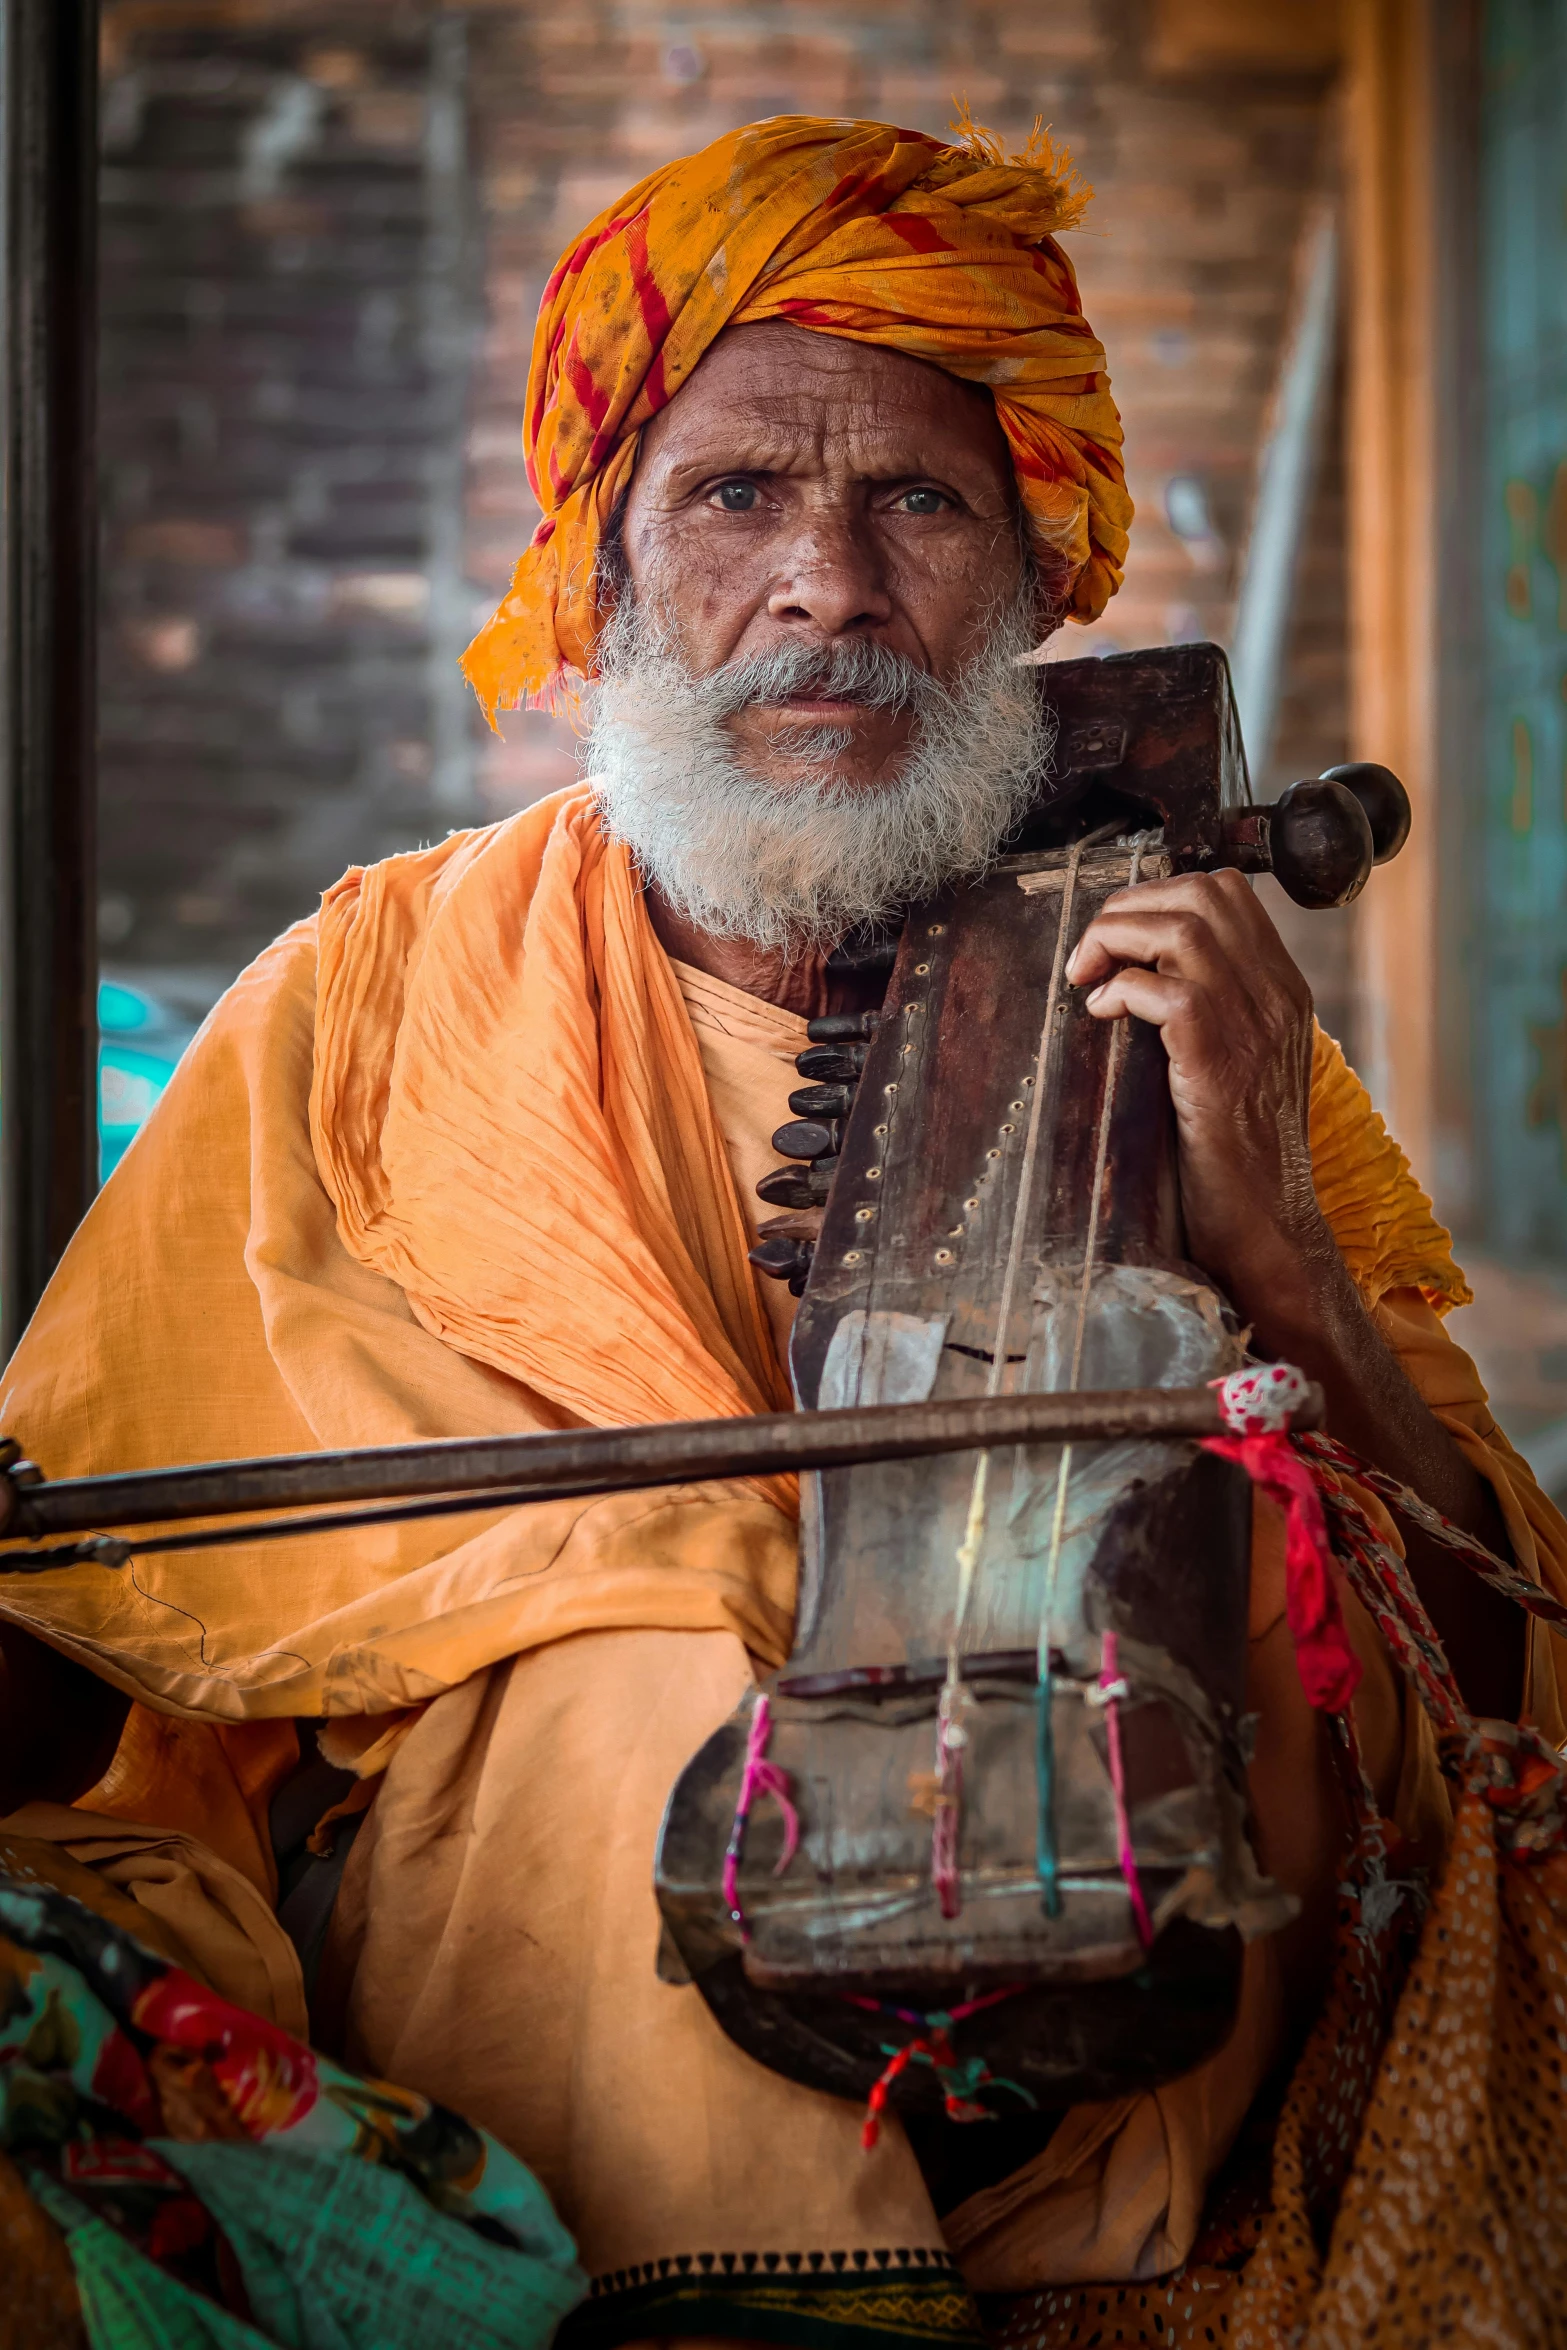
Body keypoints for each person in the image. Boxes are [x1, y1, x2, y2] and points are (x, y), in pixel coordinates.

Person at [1, 114, 1563, 2350]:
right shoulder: (369, 999)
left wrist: (1285, 1256)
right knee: (631, 1663)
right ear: (609, 579)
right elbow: (85, 1614)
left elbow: (1497, 1669)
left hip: (1111, 2008)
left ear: (1029, 587)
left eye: (914, 501)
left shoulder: (1187, 996)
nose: (825, 582)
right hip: (565, 1989)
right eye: (736, 496)